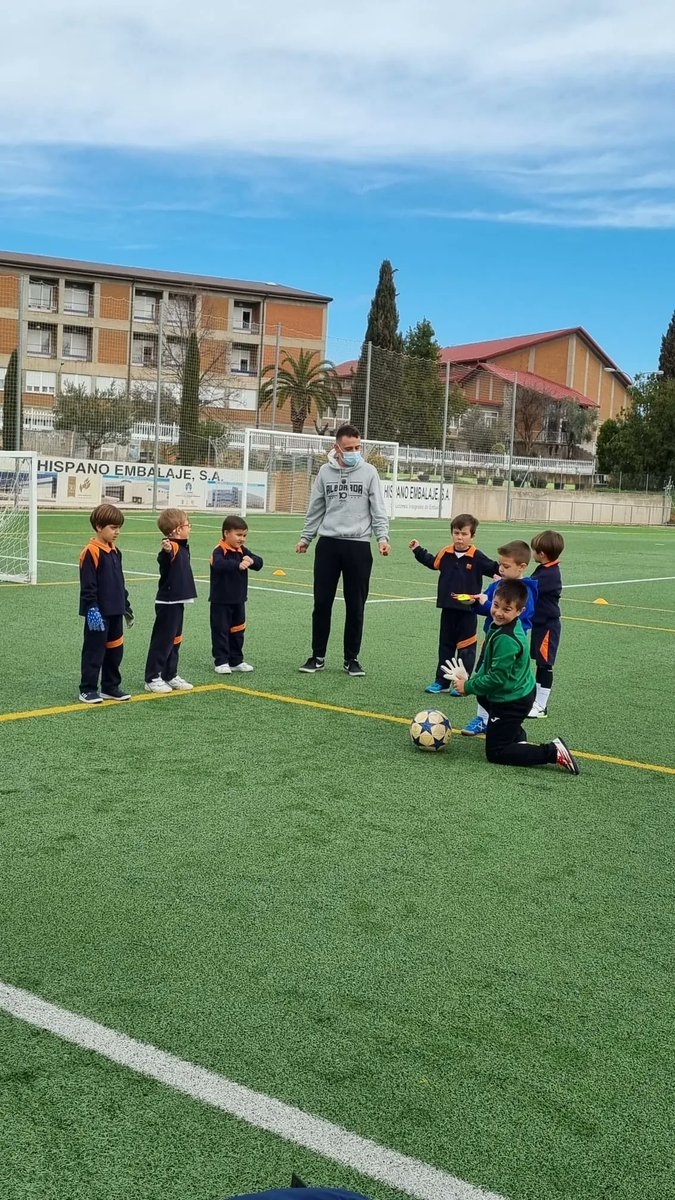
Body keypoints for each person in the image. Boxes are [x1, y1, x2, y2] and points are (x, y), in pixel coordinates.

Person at [442, 578, 579, 773]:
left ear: (519, 612)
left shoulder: (507, 639)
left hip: (513, 700)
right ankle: (516, 734)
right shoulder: (499, 627)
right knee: (483, 694)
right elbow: (489, 664)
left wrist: (469, 686)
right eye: (496, 605)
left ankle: (552, 751)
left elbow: (497, 678)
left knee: (497, 752)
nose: (498, 612)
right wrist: (471, 682)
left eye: (506, 610)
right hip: (517, 692)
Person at [296, 423, 391, 677]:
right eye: (349, 448)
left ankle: (352, 658)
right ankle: (317, 656)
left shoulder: (370, 472)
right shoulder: (325, 473)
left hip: (358, 546)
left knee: (356, 605)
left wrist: (383, 537)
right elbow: (315, 508)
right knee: (322, 603)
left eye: (358, 447)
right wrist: (306, 537)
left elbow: (378, 508)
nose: (354, 451)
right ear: (337, 447)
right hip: (328, 545)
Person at [409, 513, 498, 694]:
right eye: (456, 533)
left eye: (464, 534)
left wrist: (505, 570)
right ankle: (441, 682)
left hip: (468, 611)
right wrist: (418, 550)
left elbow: (495, 570)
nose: (459, 537)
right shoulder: (446, 553)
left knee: (466, 649)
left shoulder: (477, 557)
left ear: (472, 536)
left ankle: (461, 684)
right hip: (448, 608)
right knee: (445, 647)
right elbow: (432, 562)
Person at [461, 539, 538, 736]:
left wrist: (488, 606)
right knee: (483, 674)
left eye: (506, 566)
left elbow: (522, 615)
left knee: (496, 678)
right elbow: (487, 606)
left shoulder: (524, 591)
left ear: (522, 567)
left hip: (506, 643)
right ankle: (483, 718)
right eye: (500, 564)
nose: (501, 569)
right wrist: (475, 601)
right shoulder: (499, 584)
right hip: (492, 639)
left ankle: (500, 720)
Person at [78, 503, 133, 704]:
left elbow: (119, 580)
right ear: (99, 527)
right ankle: (88, 688)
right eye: (112, 527)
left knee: (115, 650)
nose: (117, 531)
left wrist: (125, 605)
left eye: (119, 527)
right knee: (95, 650)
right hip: (98, 613)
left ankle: (110, 687)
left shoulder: (116, 552)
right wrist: (92, 608)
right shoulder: (90, 551)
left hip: (115, 610)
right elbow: (88, 585)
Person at [144, 508, 197, 694]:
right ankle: (152, 677)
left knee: (175, 639)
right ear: (176, 529)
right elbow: (167, 554)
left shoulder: (182, 546)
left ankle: (170, 674)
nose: (190, 527)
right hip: (168, 603)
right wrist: (167, 549)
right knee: (163, 640)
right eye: (187, 524)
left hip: (178, 601)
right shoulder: (172, 546)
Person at [209, 515, 263, 674]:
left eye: (245, 535)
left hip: (239, 599)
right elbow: (218, 564)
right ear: (226, 533)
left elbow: (259, 562)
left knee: (238, 631)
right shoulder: (219, 551)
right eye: (238, 535)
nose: (242, 539)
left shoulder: (242, 550)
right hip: (221, 600)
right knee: (221, 630)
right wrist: (237, 565)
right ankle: (221, 661)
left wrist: (252, 561)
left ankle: (236, 660)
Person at [527, 529, 565, 718]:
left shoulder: (550, 574)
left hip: (548, 626)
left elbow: (529, 585)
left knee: (545, 665)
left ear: (541, 554)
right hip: (539, 624)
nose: (532, 552)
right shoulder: (544, 568)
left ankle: (541, 705)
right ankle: (535, 701)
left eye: (534, 550)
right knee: (539, 663)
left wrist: (509, 581)